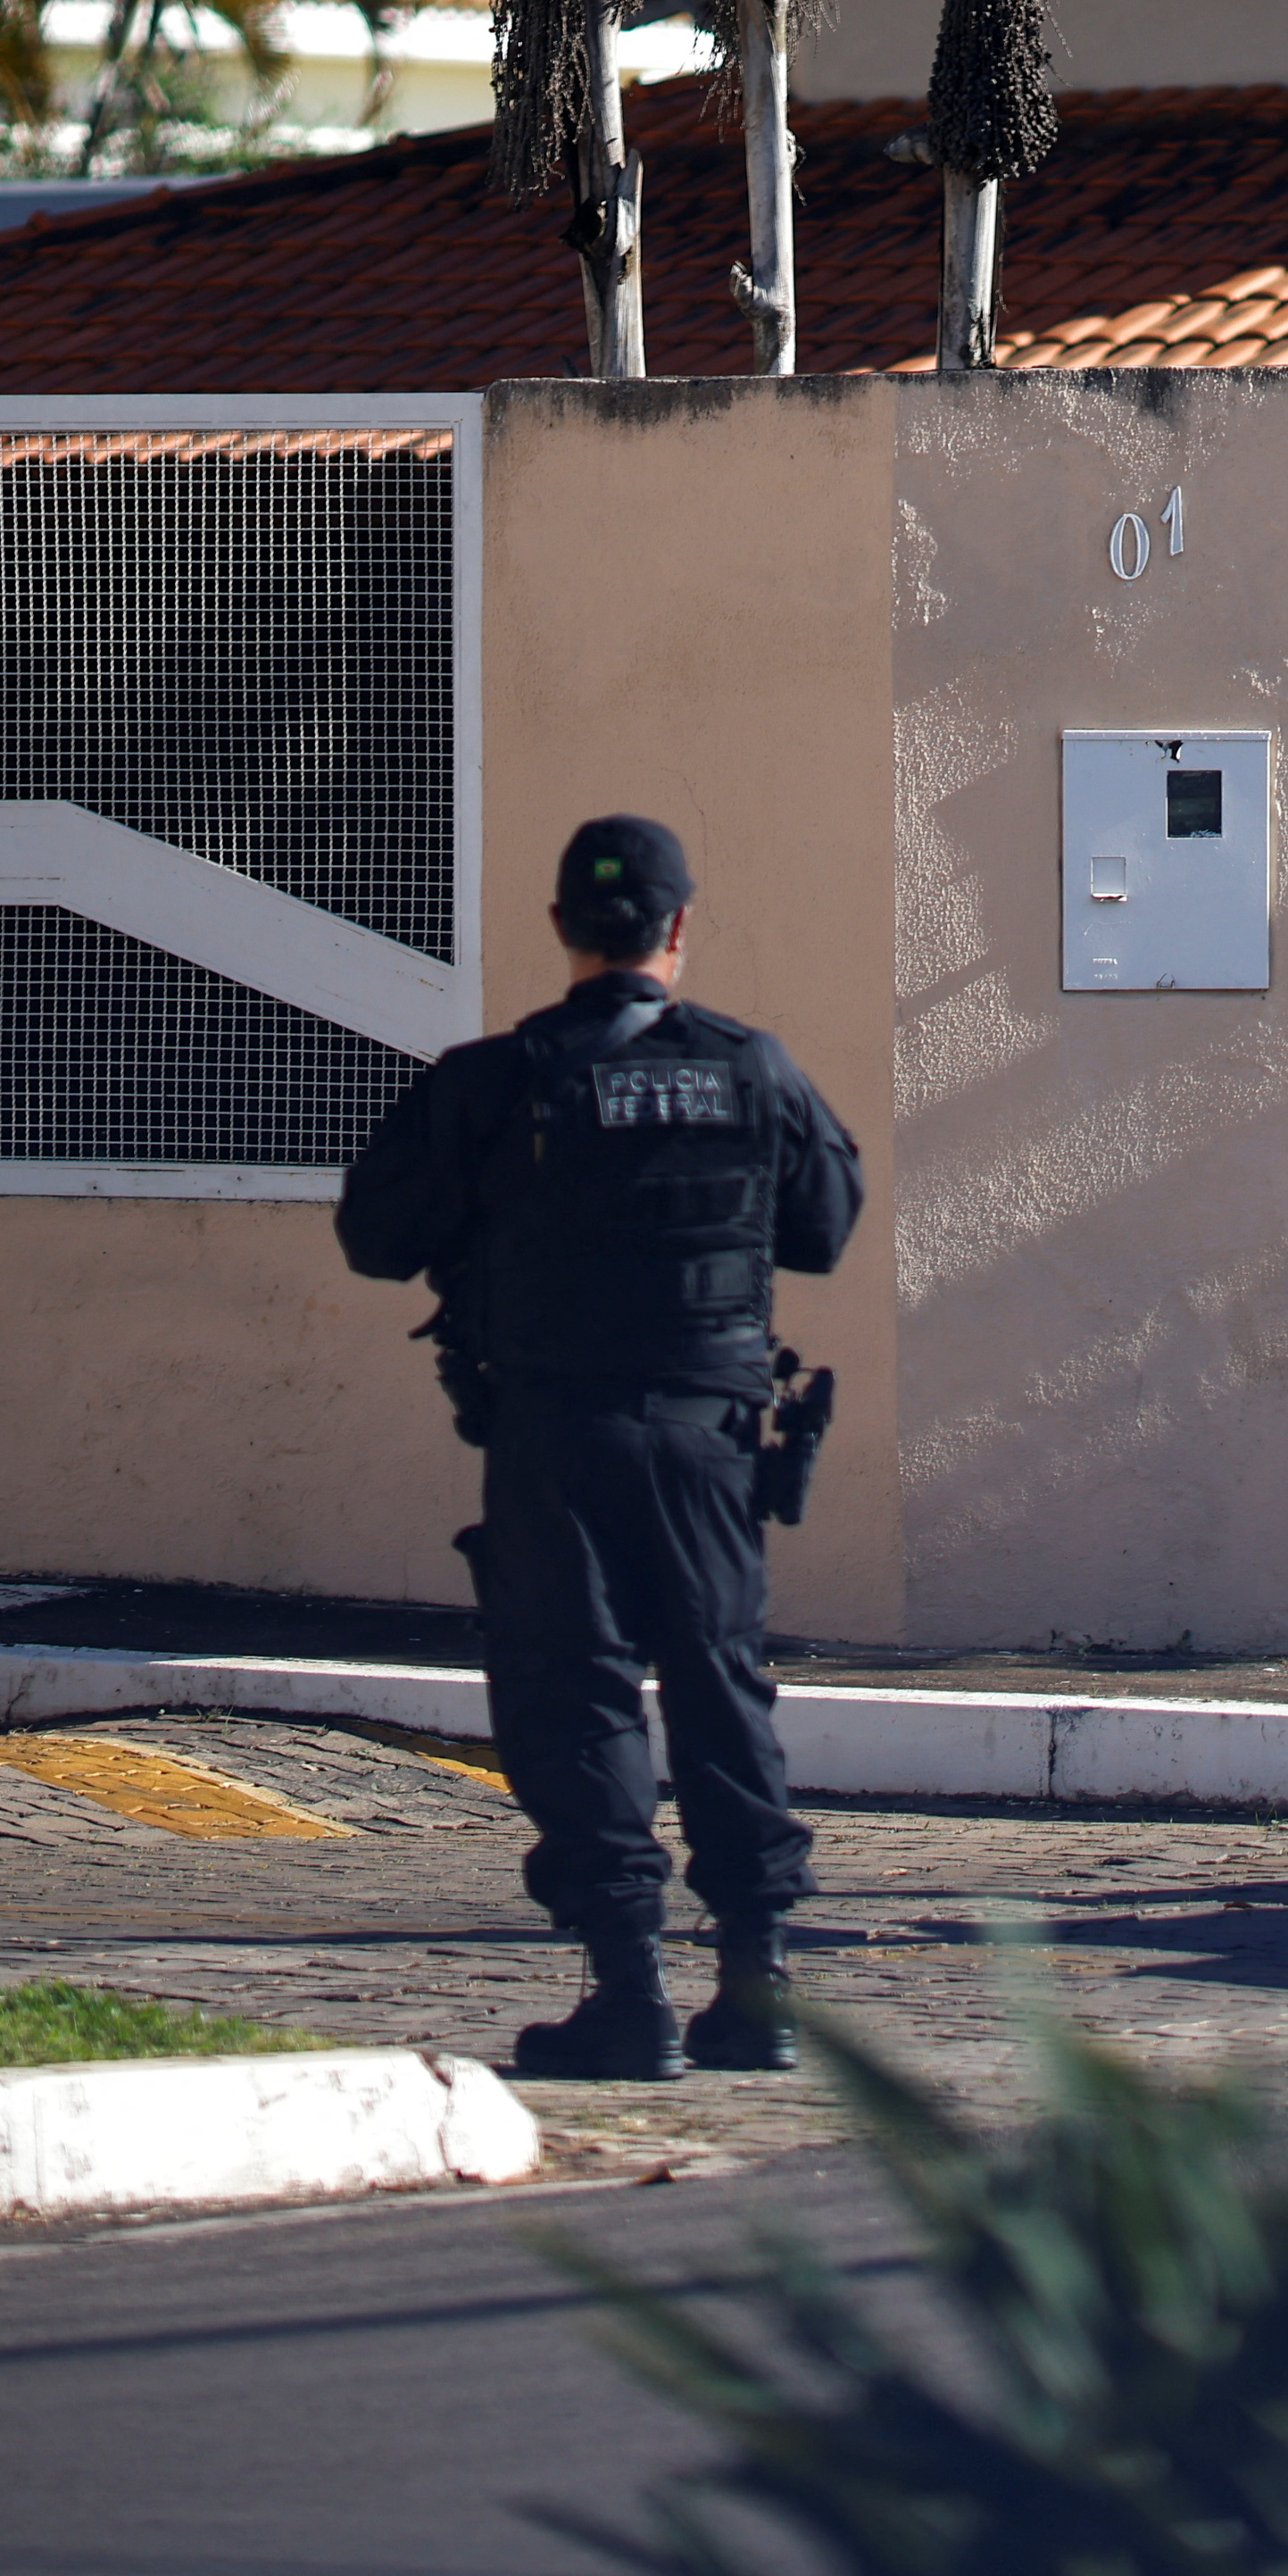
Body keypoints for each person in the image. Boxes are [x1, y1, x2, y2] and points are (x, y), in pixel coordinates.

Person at [336, 816, 865, 2081]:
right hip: (707, 1444)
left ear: (565, 926)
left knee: (574, 1697)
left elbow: (374, 1234)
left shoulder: (494, 1079)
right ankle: (759, 1983)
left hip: (553, 1439)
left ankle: (629, 1990)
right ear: (680, 928)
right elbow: (824, 1228)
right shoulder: (754, 1069)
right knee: (722, 1689)